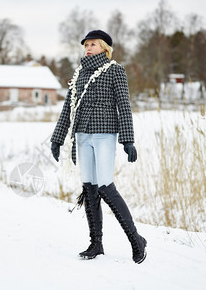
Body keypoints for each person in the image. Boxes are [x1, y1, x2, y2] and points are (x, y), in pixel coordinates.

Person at [50, 30, 147, 264]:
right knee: (89, 187)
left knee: (105, 186)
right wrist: (57, 138)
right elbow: (68, 108)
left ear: (104, 47)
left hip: (104, 135)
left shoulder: (115, 71)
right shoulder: (80, 73)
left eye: (93, 44)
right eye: (86, 45)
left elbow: (124, 106)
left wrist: (128, 140)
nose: (88, 47)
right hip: (82, 135)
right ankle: (96, 243)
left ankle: (136, 239)